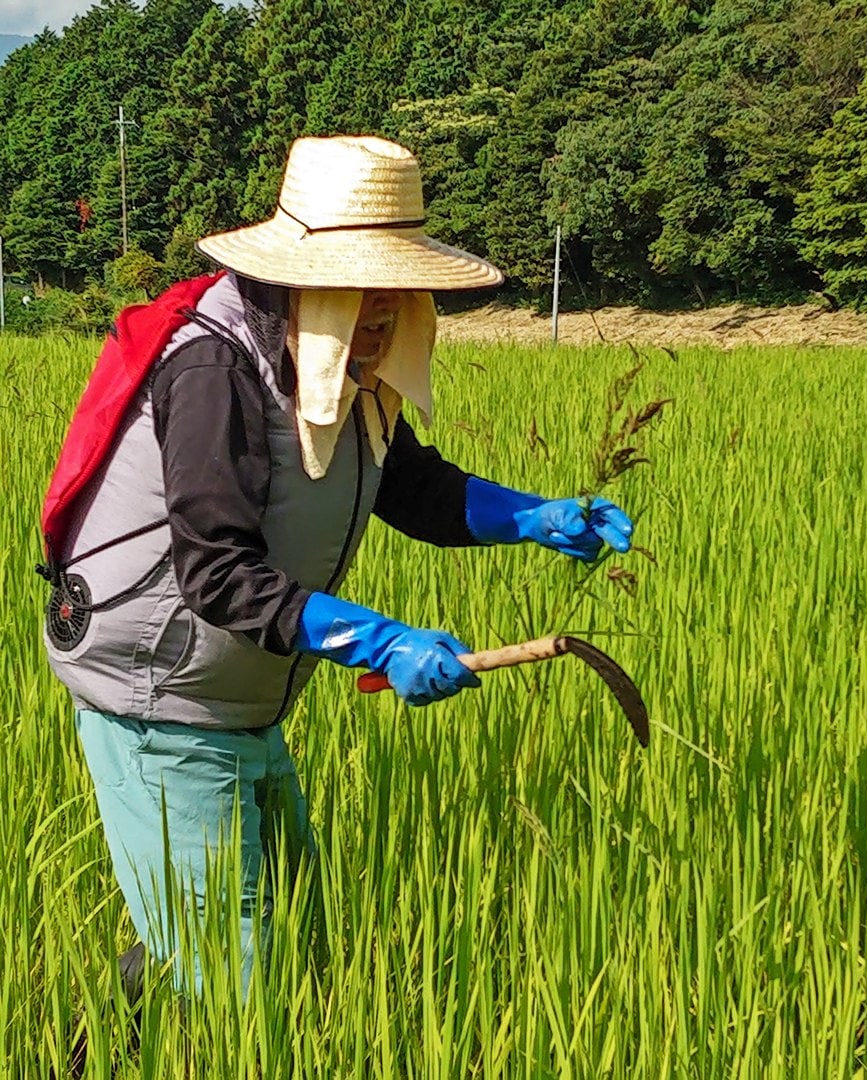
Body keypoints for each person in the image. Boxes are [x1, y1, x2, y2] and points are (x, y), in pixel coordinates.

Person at [43, 135, 633, 1003]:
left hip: (237, 697)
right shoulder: (218, 367)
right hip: (158, 702)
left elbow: (415, 490)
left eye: (397, 295)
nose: (386, 319)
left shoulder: (335, 361)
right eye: (369, 294)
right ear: (307, 281)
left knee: (283, 927)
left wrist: (537, 519)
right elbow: (216, 575)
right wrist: (377, 640)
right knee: (237, 978)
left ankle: (92, 1047)